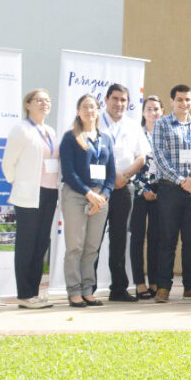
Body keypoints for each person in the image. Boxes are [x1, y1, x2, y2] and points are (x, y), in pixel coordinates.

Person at [2, 89, 60, 309]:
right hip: (29, 196)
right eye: (39, 100)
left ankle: (33, 293)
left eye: (47, 100)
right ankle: (24, 294)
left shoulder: (50, 131)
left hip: (49, 193)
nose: (44, 103)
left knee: (41, 243)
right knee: (27, 244)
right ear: (27, 104)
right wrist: (19, 183)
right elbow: (8, 164)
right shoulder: (21, 129)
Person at [151, 84, 191, 303]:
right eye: (180, 99)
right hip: (169, 189)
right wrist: (180, 180)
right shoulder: (162, 124)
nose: (184, 103)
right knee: (167, 240)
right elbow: (159, 156)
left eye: (187, 99)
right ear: (172, 101)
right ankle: (163, 287)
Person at [60, 94, 116, 307]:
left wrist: (103, 195)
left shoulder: (106, 139)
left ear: (98, 110)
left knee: (92, 247)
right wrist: (88, 194)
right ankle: (74, 291)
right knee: (75, 247)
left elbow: (111, 173)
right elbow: (69, 172)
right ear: (78, 111)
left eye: (93, 107)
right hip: (76, 196)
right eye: (85, 107)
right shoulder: (70, 137)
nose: (89, 111)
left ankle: (87, 289)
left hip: (100, 198)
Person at [98, 84, 150, 302]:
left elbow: (141, 157)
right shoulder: (95, 122)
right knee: (94, 239)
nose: (119, 103)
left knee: (119, 239)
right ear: (106, 100)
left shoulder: (132, 125)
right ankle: (86, 289)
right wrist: (111, 177)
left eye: (123, 100)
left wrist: (126, 175)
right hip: (99, 188)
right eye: (115, 98)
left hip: (124, 187)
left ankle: (118, 289)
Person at [129, 95, 163, 300]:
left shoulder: (164, 135)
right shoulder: (136, 134)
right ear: (143, 112)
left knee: (156, 238)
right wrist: (142, 190)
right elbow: (130, 162)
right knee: (137, 237)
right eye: (149, 109)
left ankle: (155, 281)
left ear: (162, 111)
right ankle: (139, 282)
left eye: (156, 109)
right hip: (139, 191)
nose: (153, 113)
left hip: (160, 192)